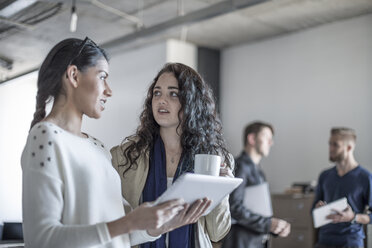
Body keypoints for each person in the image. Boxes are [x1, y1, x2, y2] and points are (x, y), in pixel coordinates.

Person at [21, 38, 210, 248]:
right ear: (74, 76)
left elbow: (120, 234)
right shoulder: (46, 137)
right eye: (102, 77)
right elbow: (41, 239)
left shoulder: (99, 148)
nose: (109, 90)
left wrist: (156, 226)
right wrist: (128, 222)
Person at [110, 62, 234, 248]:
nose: (161, 100)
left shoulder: (214, 159)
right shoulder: (126, 156)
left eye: (173, 94)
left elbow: (217, 233)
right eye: (157, 93)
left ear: (192, 102)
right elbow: (114, 219)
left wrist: (222, 191)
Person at [222, 121, 290, 248]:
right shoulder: (241, 166)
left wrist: (273, 227)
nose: (271, 143)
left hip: (254, 240)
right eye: (266, 137)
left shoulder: (257, 169)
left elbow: (258, 210)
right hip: (241, 242)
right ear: (252, 139)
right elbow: (234, 207)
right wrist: (268, 224)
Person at [312, 127, 372, 248]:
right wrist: (318, 209)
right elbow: (312, 210)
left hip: (351, 242)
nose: (330, 149)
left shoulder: (365, 177)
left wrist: (353, 217)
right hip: (324, 241)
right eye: (330, 144)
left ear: (349, 147)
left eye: (335, 145)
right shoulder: (325, 176)